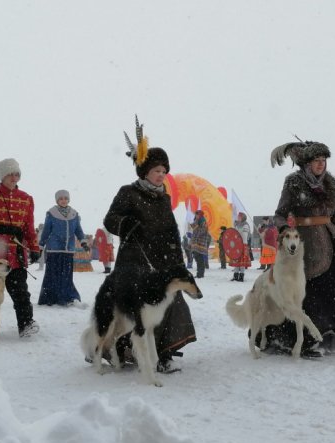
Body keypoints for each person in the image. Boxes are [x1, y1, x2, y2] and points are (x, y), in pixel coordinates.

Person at [264, 140, 335, 356]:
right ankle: (299, 340)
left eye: (323, 160)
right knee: (305, 294)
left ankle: (323, 334)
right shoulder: (294, 182)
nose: (321, 164)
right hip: (304, 246)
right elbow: (280, 214)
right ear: (307, 162)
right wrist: (285, 230)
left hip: (330, 244)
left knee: (334, 291)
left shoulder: (329, 184)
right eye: (316, 161)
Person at [104, 124, 196, 373]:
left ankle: (164, 355)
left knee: (170, 304)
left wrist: (178, 261)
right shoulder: (128, 193)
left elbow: (172, 232)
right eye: (157, 170)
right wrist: (126, 223)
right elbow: (109, 219)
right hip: (134, 262)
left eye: (164, 171)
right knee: (134, 311)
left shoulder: (165, 197)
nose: (161, 175)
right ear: (145, 170)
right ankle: (123, 349)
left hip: (163, 262)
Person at [0, 158, 41, 337]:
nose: (14, 178)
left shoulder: (26, 198)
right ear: (2, 175)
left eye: (17, 174)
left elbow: (29, 227)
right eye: (10, 174)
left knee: (20, 290)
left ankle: (26, 324)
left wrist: (34, 247)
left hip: (16, 251)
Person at [38, 190, 89, 306]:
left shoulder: (74, 214)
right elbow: (46, 230)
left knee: (66, 275)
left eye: (65, 198)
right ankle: (50, 298)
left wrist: (83, 242)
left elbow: (78, 230)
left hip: (68, 250)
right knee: (53, 274)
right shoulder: (51, 213)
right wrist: (41, 245)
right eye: (60, 198)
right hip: (54, 249)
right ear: (57, 200)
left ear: (68, 199)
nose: (63, 200)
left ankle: (66, 297)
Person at [230, 212, 251, 282]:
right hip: (236, 245)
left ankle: (241, 276)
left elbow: (244, 236)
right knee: (236, 260)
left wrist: (236, 230)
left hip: (242, 245)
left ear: (243, 217)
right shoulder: (237, 225)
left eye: (239, 217)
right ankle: (235, 276)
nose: (238, 218)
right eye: (238, 216)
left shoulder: (245, 225)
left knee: (242, 262)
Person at [190, 210, 209, 278]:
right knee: (197, 258)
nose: (196, 216)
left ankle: (201, 274)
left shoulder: (203, 222)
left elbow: (203, 231)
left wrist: (196, 233)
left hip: (201, 242)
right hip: (196, 242)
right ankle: (199, 273)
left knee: (199, 258)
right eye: (196, 214)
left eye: (197, 214)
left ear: (200, 215)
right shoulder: (196, 221)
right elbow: (194, 230)